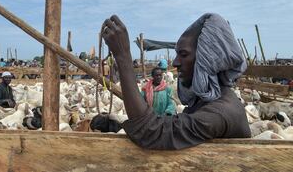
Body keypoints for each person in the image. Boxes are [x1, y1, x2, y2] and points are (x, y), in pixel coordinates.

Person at [101, 13, 250, 150]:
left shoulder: (220, 112)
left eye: (184, 54)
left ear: (210, 59)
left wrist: (122, 56)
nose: (176, 63)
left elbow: (150, 131)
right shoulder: (208, 101)